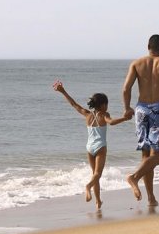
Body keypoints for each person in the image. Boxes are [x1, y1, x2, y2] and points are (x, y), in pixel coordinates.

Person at [122, 34, 159, 206]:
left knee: (146, 155)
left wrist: (127, 108)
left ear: (148, 46)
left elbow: (126, 89)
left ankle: (151, 198)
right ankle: (133, 178)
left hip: (141, 110)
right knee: (158, 156)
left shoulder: (136, 63)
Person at [53, 80, 132, 210]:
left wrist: (63, 91)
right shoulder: (104, 115)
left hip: (89, 148)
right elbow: (111, 122)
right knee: (97, 175)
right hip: (100, 147)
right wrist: (124, 118)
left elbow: (74, 104)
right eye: (106, 104)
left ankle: (98, 201)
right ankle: (88, 186)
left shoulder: (87, 115)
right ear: (102, 105)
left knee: (95, 175)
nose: (107, 107)